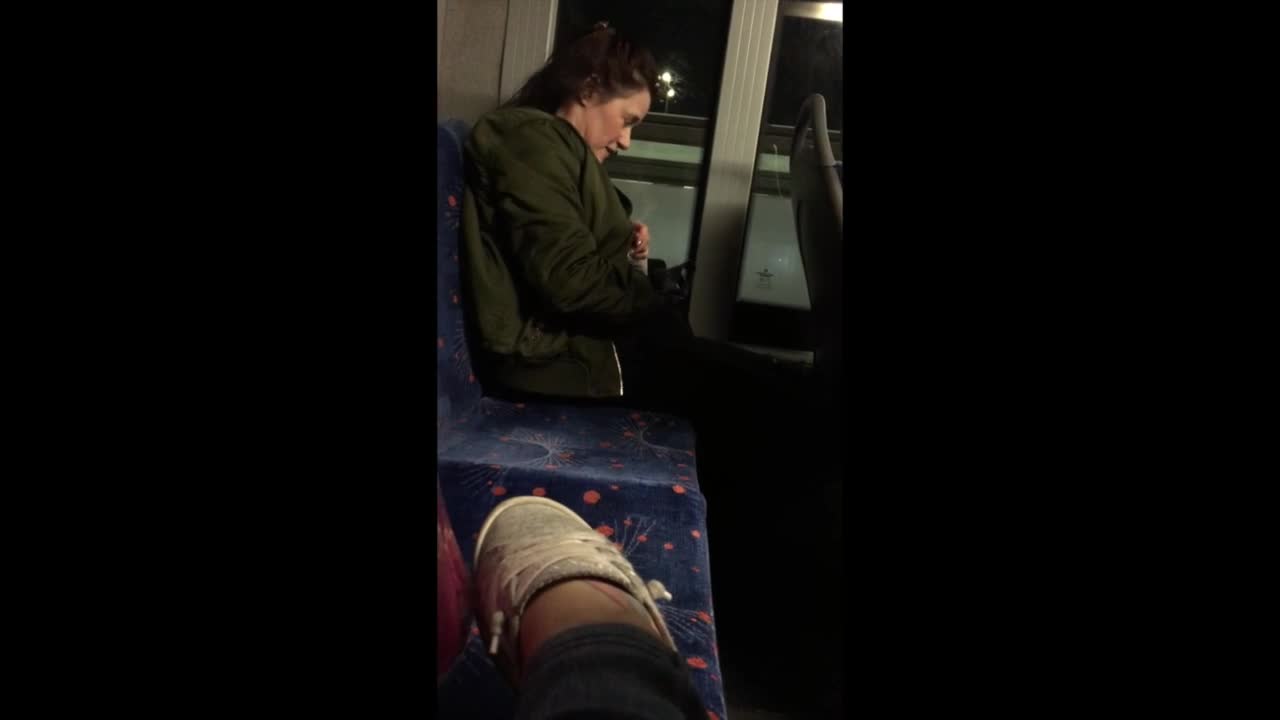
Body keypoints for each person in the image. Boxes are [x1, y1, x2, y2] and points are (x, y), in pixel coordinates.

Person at [459, 22, 827, 489]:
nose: (625, 141)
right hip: (559, 360)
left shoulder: (559, 152)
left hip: (592, 345)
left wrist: (632, 260)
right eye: (627, 120)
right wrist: (651, 298)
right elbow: (568, 280)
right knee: (780, 403)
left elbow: (570, 258)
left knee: (775, 384)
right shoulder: (528, 140)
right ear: (588, 90)